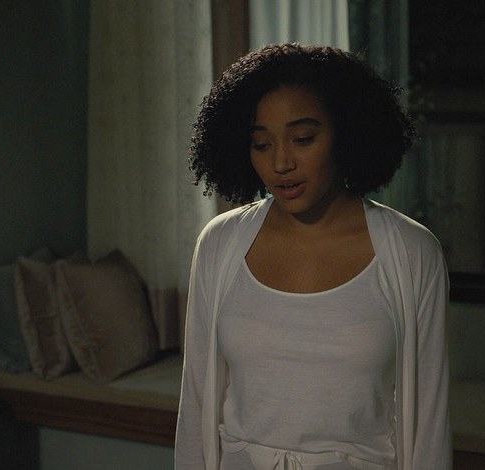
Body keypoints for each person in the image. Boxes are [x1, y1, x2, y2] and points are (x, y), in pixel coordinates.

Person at [175, 43, 451, 470]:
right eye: (261, 144)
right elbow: (196, 403)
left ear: (346, 133)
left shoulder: (411, 251)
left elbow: (430, 419)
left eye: (302, 139)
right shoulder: (220, 243)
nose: (281, 162)